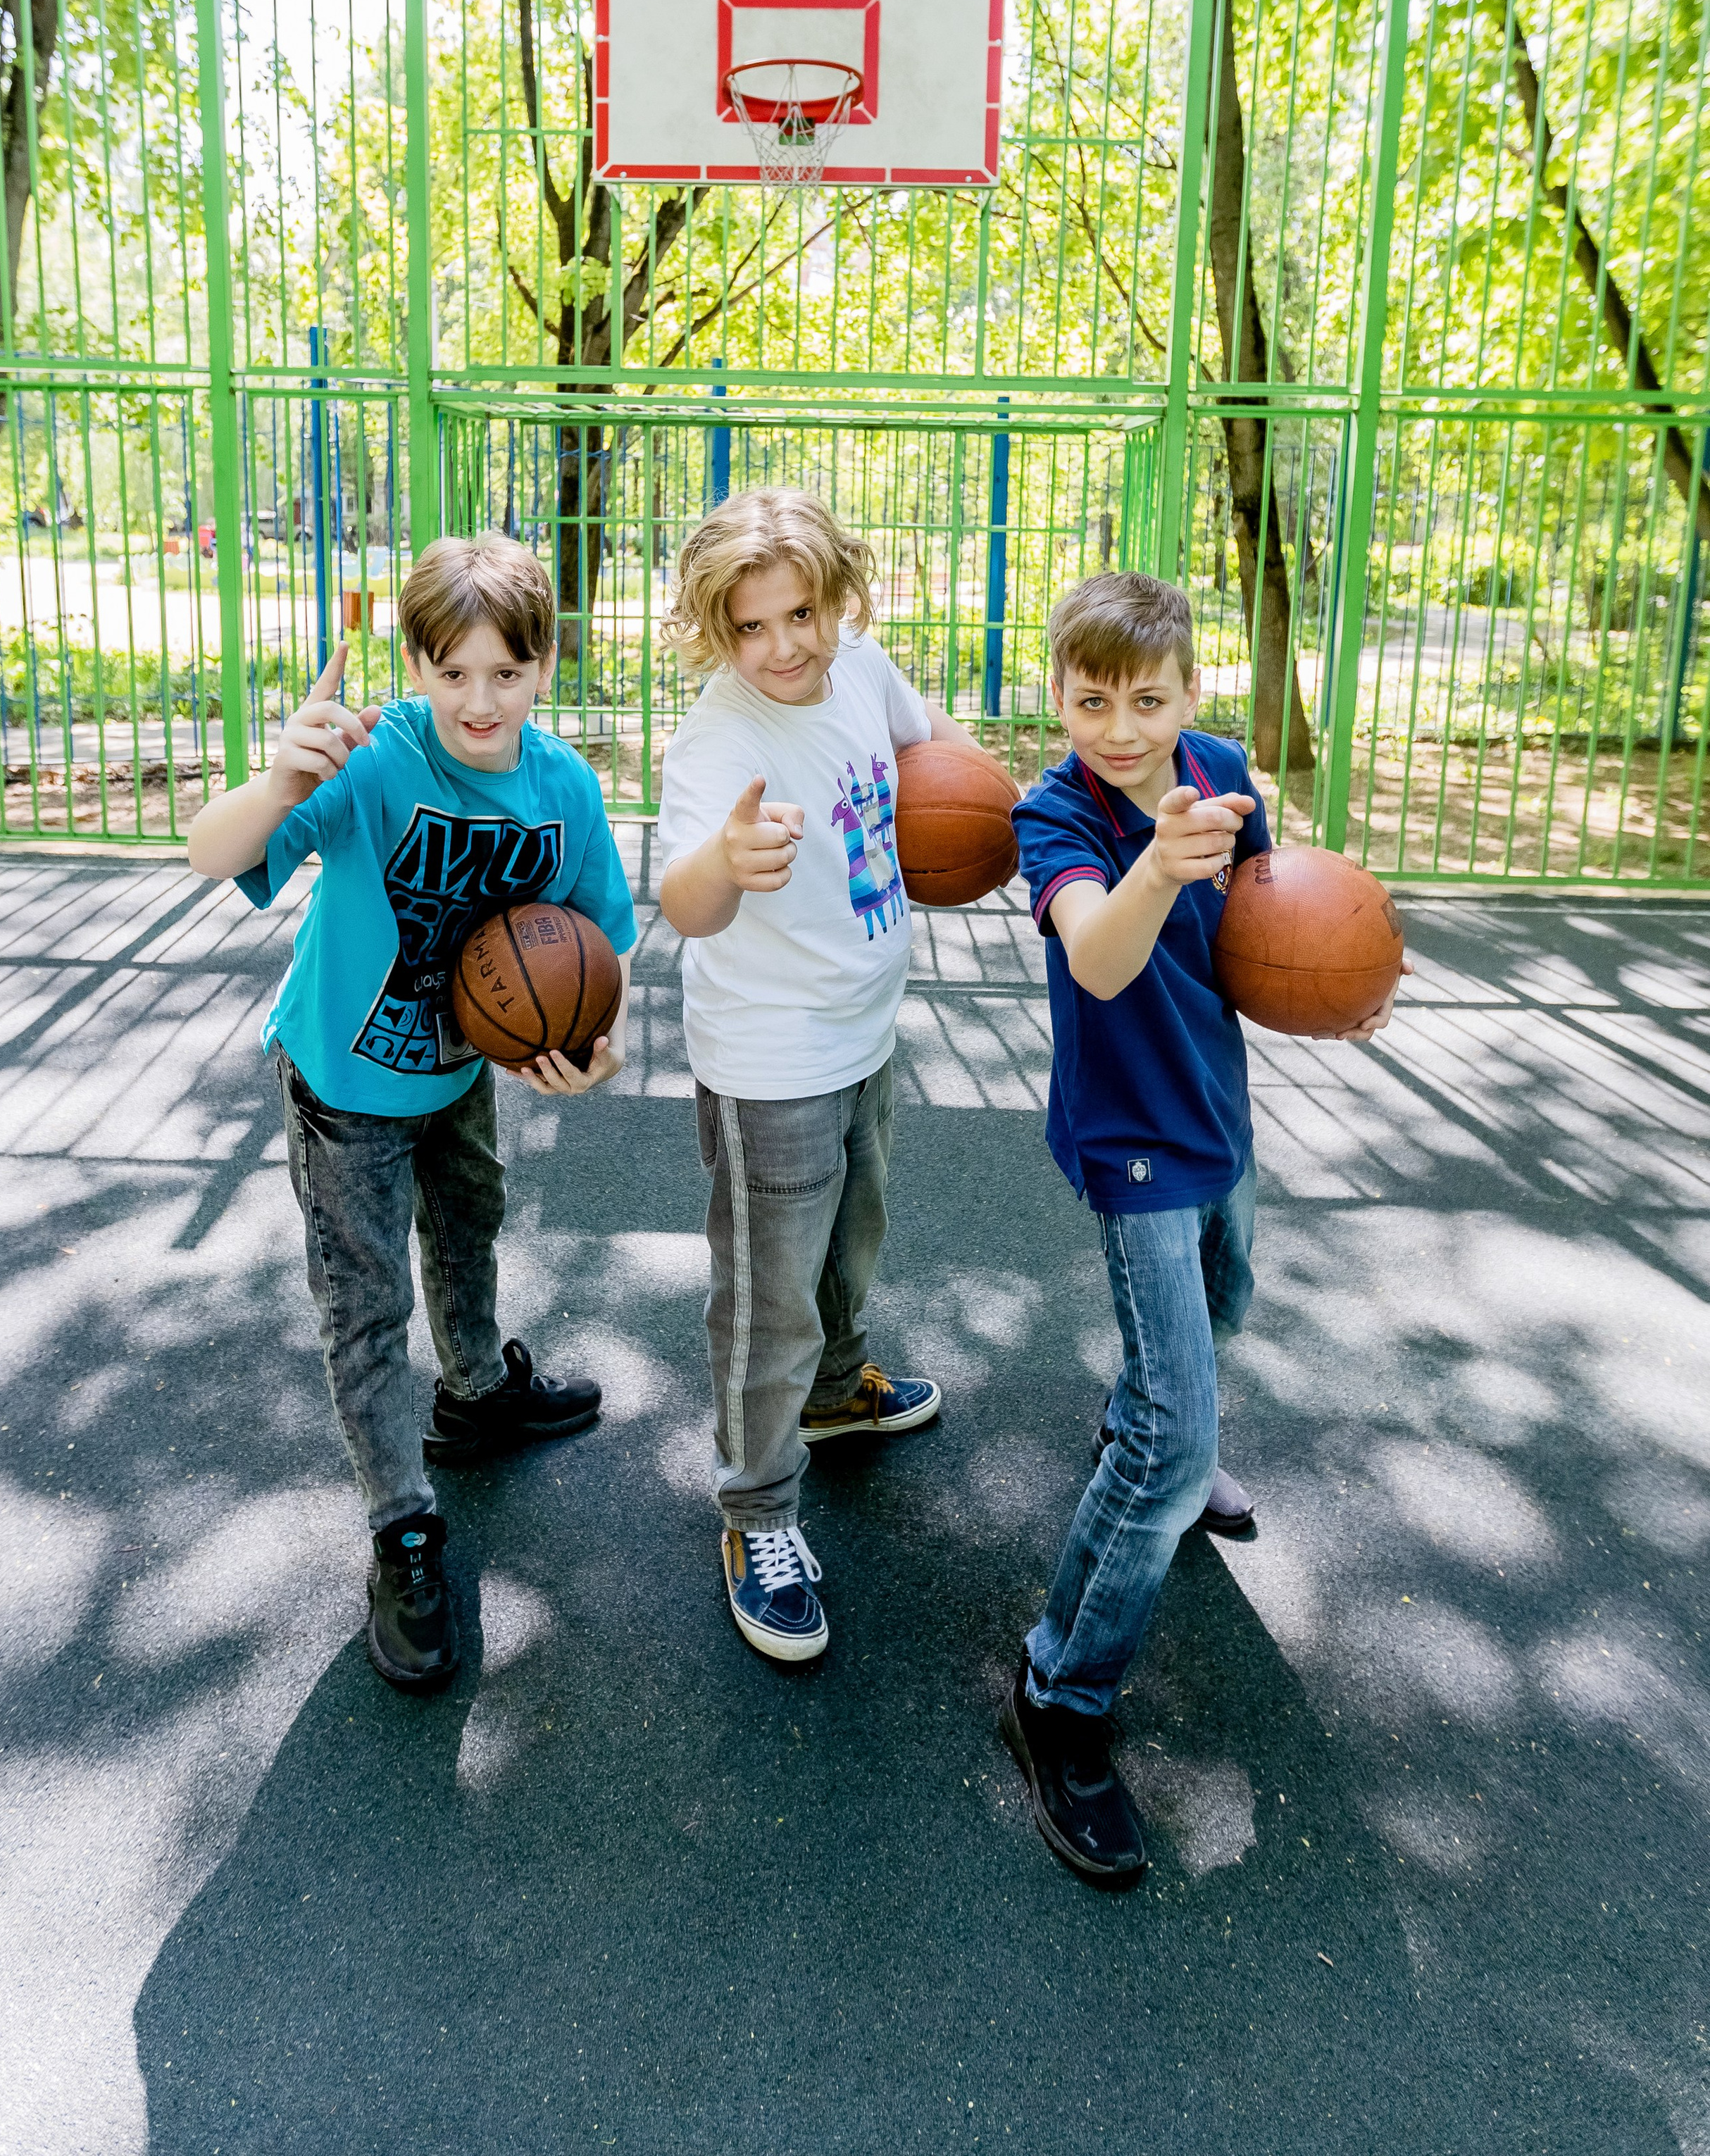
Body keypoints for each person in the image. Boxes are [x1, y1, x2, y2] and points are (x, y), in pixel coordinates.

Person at [998, 570, 1406, 1882]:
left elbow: (1267, 930)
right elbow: (1099, 956)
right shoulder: (1056, 814)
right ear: (1058, 696)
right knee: (1179, 1450)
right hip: (1133, 1144)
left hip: (1216, 1110)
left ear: (1190, 695)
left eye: (1148, 700)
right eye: (1091, 701)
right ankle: (1060, 1694)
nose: (1120, 728)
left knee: (1225, 1304)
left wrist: (1339, 989)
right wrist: (1158, 867)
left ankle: (1140, 1422)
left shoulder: (1223, 774)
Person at [188, 535, 637, 1693]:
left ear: (547, 664)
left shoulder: (565, 789)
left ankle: (477, 1393)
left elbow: (604, 945)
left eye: (507, 673)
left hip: (460, 1072)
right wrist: (280, 782)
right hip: (343, 1084)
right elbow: (207, 854)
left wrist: (600, 1044)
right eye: (453, 673)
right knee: (367, 1303)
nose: (481, 701)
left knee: (471, 1221)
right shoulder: (372, 761)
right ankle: (402, 1525)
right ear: (416, 665)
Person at [656, 487, 975, 1664]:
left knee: (851, 1244)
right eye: (750, 627)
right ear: (715, 632)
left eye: (802, 613)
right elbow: (684, 902)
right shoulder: (720, 741)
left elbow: (935, 754)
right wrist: (728, 862)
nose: (783, 645)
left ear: (841, 598)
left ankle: (837, 1394)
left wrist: (994, 802)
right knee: (769, 1298)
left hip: (863, 1031)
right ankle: (757, 1512)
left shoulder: (863, 668)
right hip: (769, 1058)